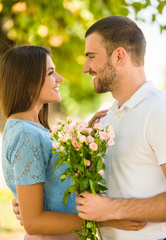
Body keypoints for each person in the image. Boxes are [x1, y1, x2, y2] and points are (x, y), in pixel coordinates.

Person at [0, 45, 145, 240]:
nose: (60, 78)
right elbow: (34, 222)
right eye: (51, 73)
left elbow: (54, 186)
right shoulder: (26, 134)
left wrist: (84, 138)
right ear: (27, 81)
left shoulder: (33, 129)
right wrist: (107, 218)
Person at [74, 15, 166, 240]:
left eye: (91, 57)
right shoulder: (105, 117)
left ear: (118, 56)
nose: (86, 68)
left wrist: (114, 208)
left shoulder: (159, 111)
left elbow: (106, 206)